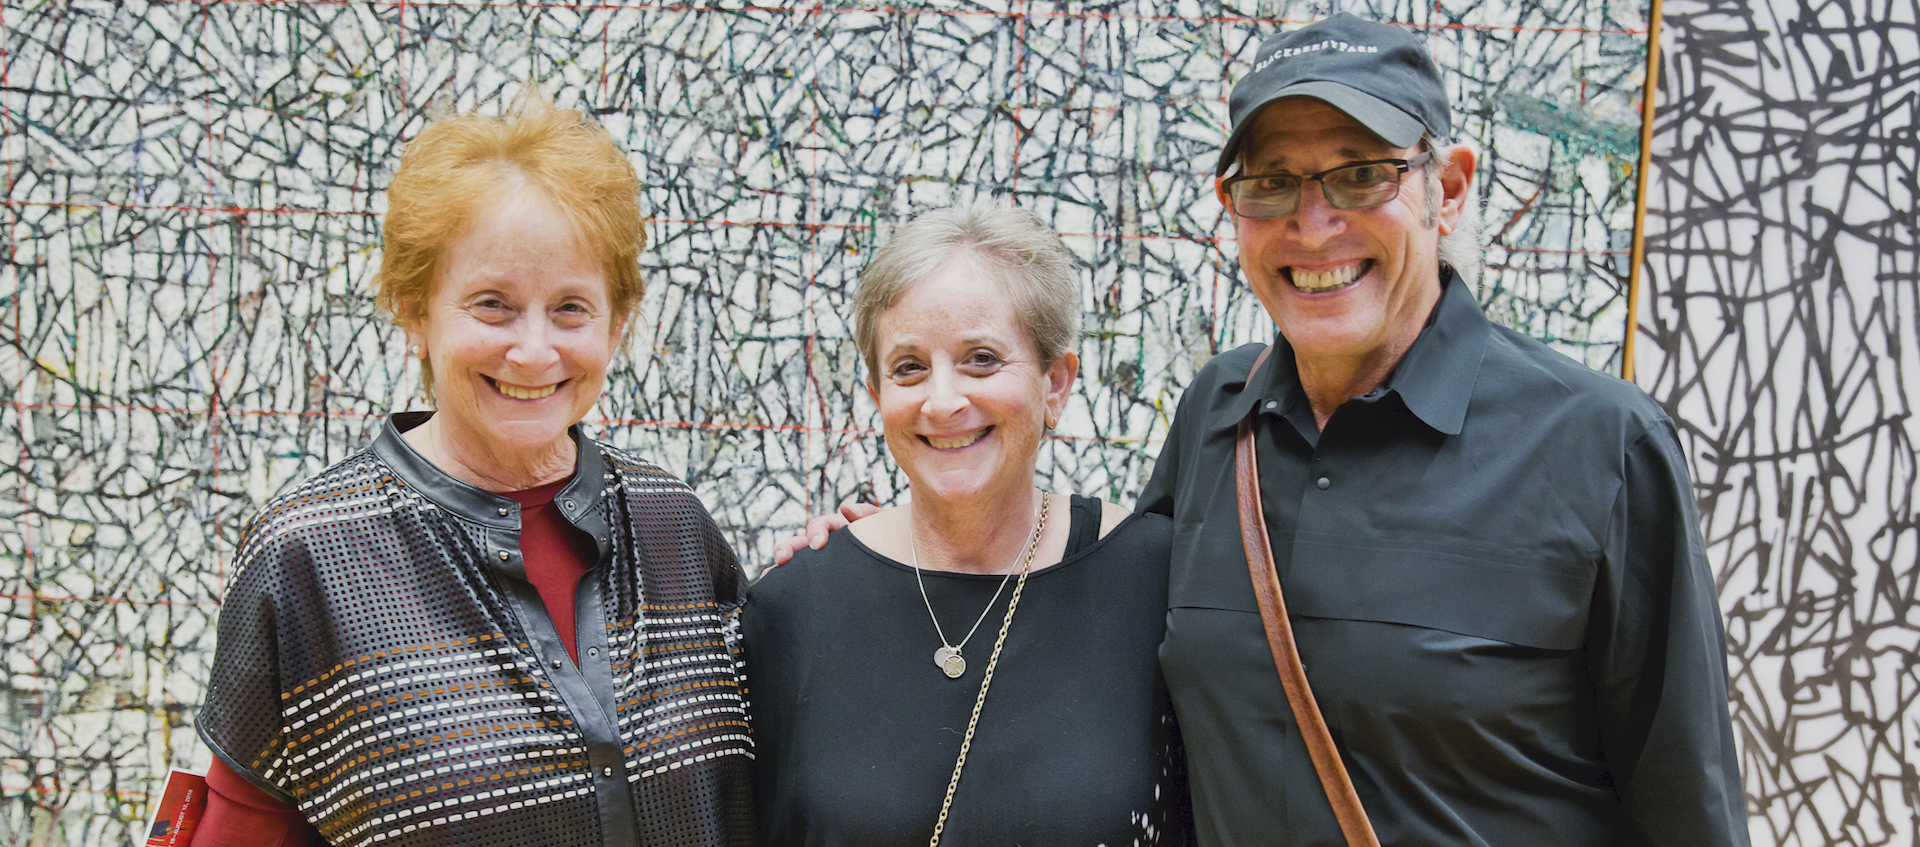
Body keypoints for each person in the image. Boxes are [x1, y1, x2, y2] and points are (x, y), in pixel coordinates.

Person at [779, 14, 1750, 847]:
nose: (1312, 224)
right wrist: (887, 550)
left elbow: (1688, 808)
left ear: (1446, 187)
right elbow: (1088, 598)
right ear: (1232, 212)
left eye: (1360, 173)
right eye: (1272, 183)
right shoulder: (1218, 418)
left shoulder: (1599, 447)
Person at [193, 93, 753, 847]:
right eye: (492, 304)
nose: (532, 350)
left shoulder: (673, 524)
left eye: (570, 309)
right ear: (415, 312)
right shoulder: (307, 556)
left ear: (617, 322)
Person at [744, 199, 1191, 846]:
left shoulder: (1159, 581)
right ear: (877, 395)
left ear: (1056, 383)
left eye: (981, 358)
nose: (944, 399)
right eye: (909, 367)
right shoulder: (793, 607)